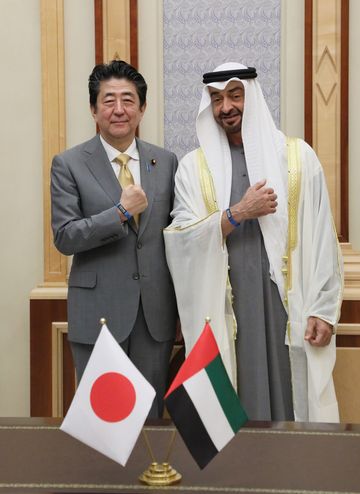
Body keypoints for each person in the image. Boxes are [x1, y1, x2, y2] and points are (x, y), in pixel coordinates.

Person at [164, 62, 343, 423]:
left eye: (234, 95)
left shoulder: (297, 158)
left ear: (253, 97)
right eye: (216, 99)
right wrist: (239, 212)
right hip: (226, 308)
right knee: (234, 397)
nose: (225, 107)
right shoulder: (193, 168)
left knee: (291, 398)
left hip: (289, 306)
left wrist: (324, 309)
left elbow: (323, 237)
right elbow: (180, 239)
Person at [51, 60, 178, 418]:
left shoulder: (165, 161)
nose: (118, 110)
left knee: (150, 418)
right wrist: (119, 214)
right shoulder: (69, 163)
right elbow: (65, 236)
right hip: (98, 314)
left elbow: (176, 238)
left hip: (154, 315)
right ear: (93, 109)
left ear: (142, 108)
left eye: (128, 99)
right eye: (108, 100)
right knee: (103, 421)